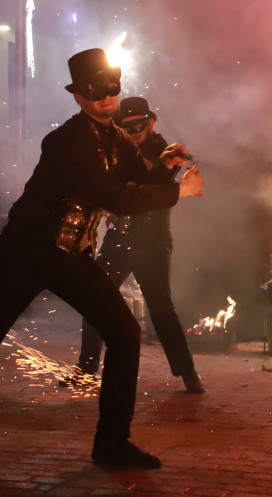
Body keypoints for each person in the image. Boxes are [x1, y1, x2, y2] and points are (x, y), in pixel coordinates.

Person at [0, 48, 204, 469]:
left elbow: (135, 178)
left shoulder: (117, 139)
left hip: (71, 255)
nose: (106, 97)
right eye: (94, 90)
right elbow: (115, 197)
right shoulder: (68, 140)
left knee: (123, 333)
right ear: (78, 96)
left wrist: (163, 166)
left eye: (111, 88)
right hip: (24, 254)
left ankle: (111, 442)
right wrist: (179, 191)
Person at [66, 97, 204, 394]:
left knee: (161, 307)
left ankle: (188, 372)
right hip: (120, 238)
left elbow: (154, 184)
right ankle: (87, 368)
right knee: (95, 297)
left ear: (150, 123)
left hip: (152, 240)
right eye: (127, 127)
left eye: (139, 126)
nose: (135, 131)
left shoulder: (160, 150)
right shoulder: (118, 150)